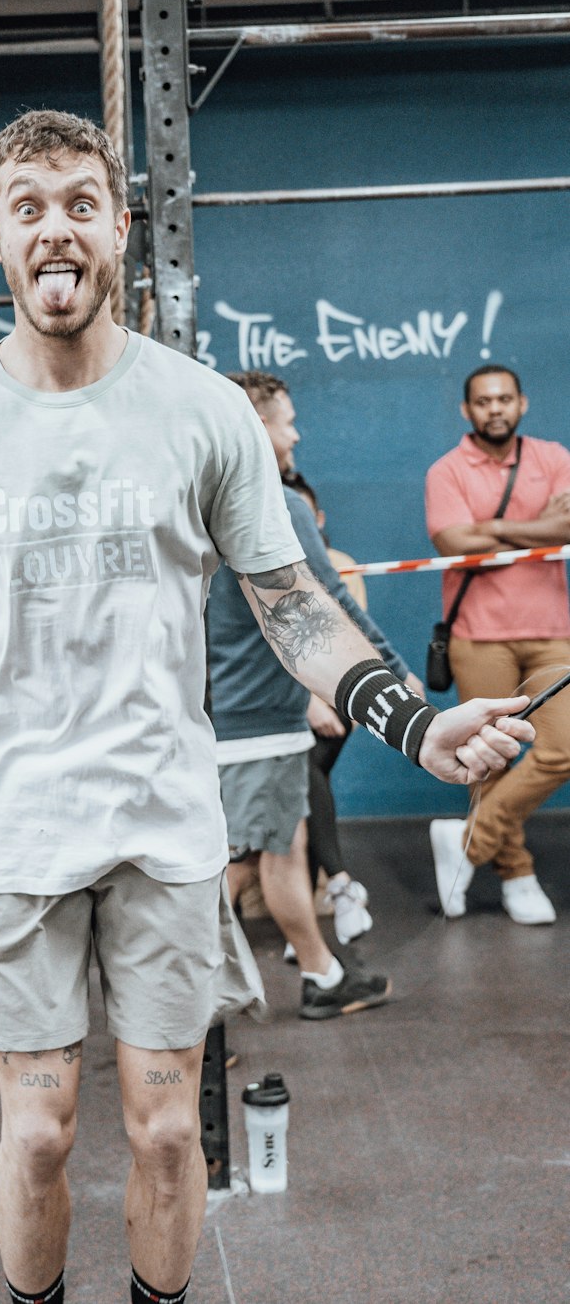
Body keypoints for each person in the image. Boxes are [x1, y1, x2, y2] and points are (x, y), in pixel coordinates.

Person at [0, 111, 533, 1304]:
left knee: (171, 1135)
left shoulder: (203, 411)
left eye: (80, 201)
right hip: (17, 836)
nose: (55, 227)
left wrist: (414, 722)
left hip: (166, 829)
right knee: (41, 1134)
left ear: (119, 227)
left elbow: (294, 605)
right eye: (29, 206)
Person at [210, 374, 422, 1012]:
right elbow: (327, 603)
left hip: (231, 716)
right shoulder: (275, 503)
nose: (296, 433)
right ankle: (201, 997)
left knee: (268, 851)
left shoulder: (204, 503)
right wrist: (393, 676)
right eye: (285, 420)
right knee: (264, 857)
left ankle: (317, 972)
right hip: (257, 722)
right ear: (256, 427)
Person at [426, 364, 570, 925]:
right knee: (490, 762)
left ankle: (464, 842)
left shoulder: (553, 457)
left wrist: (491, 528)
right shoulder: (447, 470)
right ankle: (517, 874)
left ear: (522, 403)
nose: (495, 409)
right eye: (483, 401)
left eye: (504, 399)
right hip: (478, 634)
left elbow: (566, 530)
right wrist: (533, 526)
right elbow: (452, 539)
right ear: (467, 410)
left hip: (552, 630)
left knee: (562, 749)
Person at [283, 468, 381, 943]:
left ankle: (321, 910)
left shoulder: (336, 565)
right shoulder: (254, 563)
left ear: (316, 518)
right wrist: (303, 703)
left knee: (304, 777)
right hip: (282, 701)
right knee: (301, 784)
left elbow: (343, 646)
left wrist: (319, 701)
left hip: (332, 699)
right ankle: (331, 898)